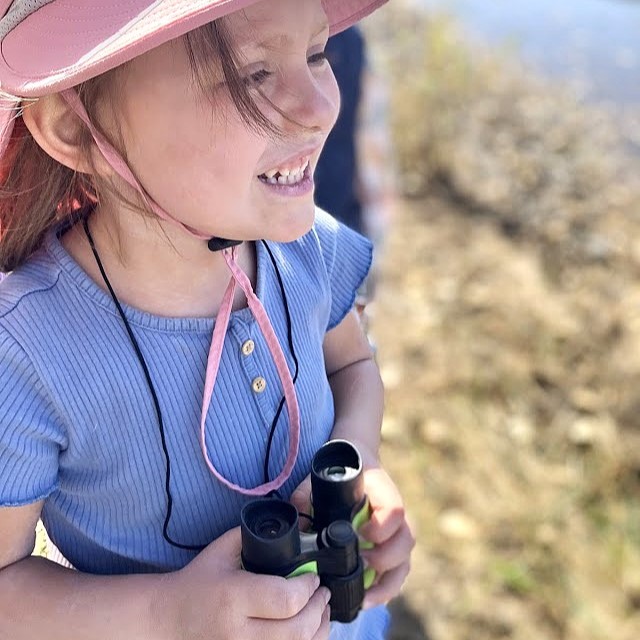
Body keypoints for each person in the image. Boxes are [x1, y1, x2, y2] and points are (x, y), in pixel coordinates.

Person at [0, 1, 414, 640]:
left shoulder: (308, 247)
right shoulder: (28, 351)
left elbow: (352, 363)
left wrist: (358, 460)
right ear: (74, 128)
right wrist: (170, 613)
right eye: (252, 75)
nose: (319, 106)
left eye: (315, 54)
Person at [315, 25, 395, 322]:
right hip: (339, 232)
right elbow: (375, 158)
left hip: (334, 230)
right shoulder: (347, 37)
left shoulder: (349, 42)